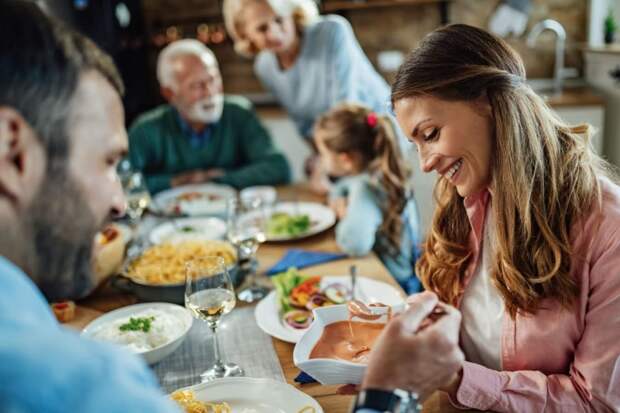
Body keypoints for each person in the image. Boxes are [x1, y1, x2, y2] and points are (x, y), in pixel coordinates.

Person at [0, 2, 462, 412]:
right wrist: (384, 396)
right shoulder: (73, 381)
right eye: (105, 162)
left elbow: (277, 163)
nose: (120, 204)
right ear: (11, 151)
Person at [391, 24, 620, 411]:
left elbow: (595, 402)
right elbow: (465, 320)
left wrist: (456, 378)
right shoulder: (463, 194)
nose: (426, 163)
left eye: (430, 134)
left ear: (488, 102)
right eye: (415, 145)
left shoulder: (606, 228)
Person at [222, 0, 409, 193]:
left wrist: (325, 162)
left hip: (379, 135)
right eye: (262, 29)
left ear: (292, 12)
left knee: (380, 206)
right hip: (339, 146)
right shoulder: (265, 67)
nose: (274, 33)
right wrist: (321, 157)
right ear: (245, 34)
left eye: (279, 20)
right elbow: (303, 123)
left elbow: (344, 107)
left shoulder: (332, 32)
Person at [128, 39, 290, 194]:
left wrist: (217, 179)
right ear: (169, 93)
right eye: (197, 85)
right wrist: (174, 182)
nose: (210, 92)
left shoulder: (239, 113)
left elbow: (278, 168)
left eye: (213, 79)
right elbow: (122, 183)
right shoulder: (146, 130)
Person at [314, 103, 422, 293]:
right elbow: (342, 187)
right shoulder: (380, 174)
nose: (321, 161)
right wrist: (337, 196)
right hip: (406, 275)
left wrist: (344, 216)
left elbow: (354, 245)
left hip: (394, 285)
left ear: (346, 159)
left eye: (322, 154)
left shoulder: (365, 189)